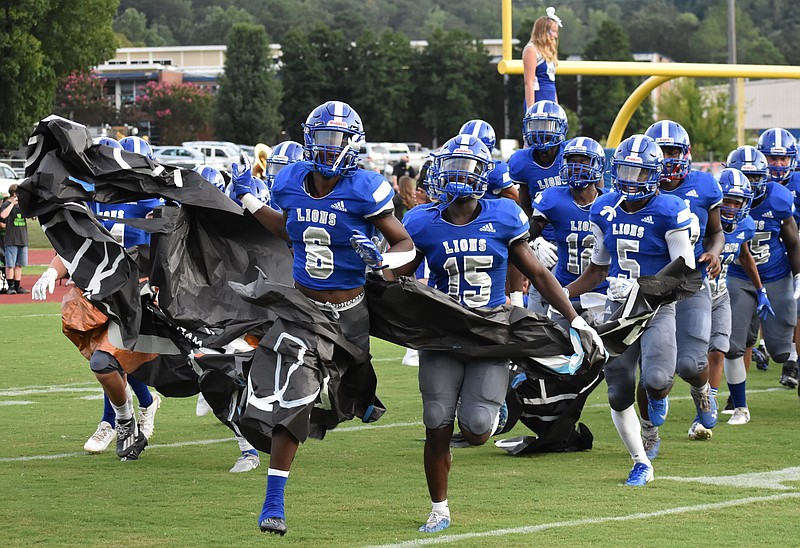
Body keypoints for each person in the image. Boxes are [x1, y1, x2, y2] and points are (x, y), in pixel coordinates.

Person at [387, 133, 605, 533]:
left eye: (465, 168)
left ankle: (500, 398)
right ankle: (439, 508)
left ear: (482, 175)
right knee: (435, 420)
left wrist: (573, 318)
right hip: (444, 331)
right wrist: (376, 268)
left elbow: (538, 274)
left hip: (490, 330)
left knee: (475, 430)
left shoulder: (504, 215)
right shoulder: (422, 221)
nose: (456, 176)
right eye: (450, 166)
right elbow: (397, 272)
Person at [229, 100, 415, 536]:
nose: (329, 148)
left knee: (354, 385)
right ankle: (273, 501)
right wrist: (250, 198)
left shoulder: (366, 187)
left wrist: (383, 262)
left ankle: (364, 397)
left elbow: (405, 244)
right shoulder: (290, 178)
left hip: (351, 313)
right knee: (298, 394)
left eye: (338, 139)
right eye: (323, 138)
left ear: (353, 144)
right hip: (303, 310)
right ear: (309, 139)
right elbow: (287, 228)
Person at [566, 134, 695, 486]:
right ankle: (640, 461)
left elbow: (684, 271)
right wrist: (561, 293)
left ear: (654, 174)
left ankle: (656, 401)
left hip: (656, 307)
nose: (631, 179)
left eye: (639, 173)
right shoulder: (605, 208)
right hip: (618, 309)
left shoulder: (670, 210)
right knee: (618, 390)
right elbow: (597, 270)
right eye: (624, 170)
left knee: (656, 379)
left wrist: (646, 290)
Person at [639, 120, 723, 449]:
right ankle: (649, 436)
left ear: (686, 154)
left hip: (689, 285)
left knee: (690, 363)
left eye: (672, 151)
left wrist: (714, 252)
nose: (666, 158)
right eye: (660, 152)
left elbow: (716, 232)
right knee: (649, 372)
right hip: (647, 291)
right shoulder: (632, 189)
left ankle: (702, 393)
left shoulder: (703, 186)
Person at [82, 136, 163, 453]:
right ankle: (146, 401)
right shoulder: (99, 196)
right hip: (105, 286)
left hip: (139, 288)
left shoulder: (152, 201)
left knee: (111, 354)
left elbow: (165, 247)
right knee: (108, 356)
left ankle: (109, 423)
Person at [33, 255, 150, 461]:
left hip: (138, 296)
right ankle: (124, 421)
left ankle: (121, 418)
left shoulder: (144, 222)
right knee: (104, 363)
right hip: (99, 300)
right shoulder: (95, 221)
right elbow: (71, 249)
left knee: (116, 361)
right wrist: (50, 273)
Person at [725, 144, 800, 397]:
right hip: (738, 275)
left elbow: (792, 242)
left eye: (756, 176)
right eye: (745, 177)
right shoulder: (721, 199)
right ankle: (737, 402)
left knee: (780, 351)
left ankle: (789, 363)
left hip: (775, 274)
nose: (750, 182)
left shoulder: (778, 198)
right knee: (733, 345)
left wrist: (798, 276)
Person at [707, 168, 769, 427]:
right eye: (726, 201)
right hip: (690, 295)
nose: (731, 207)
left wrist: (760, 290)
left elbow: (744, 255)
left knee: (727, 351)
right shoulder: (703, 222)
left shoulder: (744, 225)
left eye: (737, 202)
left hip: (719, 295)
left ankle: (736, 407)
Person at [530, 136, 608, 324]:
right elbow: (527, 232)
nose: (577, 168)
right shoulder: (553, 198)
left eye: (583, 162)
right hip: (564, 291)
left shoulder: (611, 203)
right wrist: (534, 242)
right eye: (572, 162)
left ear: (598, 166)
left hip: (604, 294)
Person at [509, 100, 569, 313]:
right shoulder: (522, 161)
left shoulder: (571, 156)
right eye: (536, 125)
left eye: (547, 125)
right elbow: (523, 206)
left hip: (572, 236)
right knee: (539, 303)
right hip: (541, 235)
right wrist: (533, 239)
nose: (541, 132)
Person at [756, 128, 800, 387]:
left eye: (783, 159)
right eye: (772, 158)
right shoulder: (750, 180)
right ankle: (763, 343)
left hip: (793, 247)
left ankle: (792, 361)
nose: (778, 164)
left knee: (794, 306)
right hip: (762, 251)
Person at [522, 6, 561, 111]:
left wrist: (557, 108)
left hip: (550, 98)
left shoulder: (549, 51)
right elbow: (529, 83)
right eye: (553, 31)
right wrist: (531, 111)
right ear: (543, 31)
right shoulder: (531, 49)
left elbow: (552, 83)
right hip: (538, 98)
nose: (555, 35)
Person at [0, 184, 30, 294]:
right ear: (14, 194)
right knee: (10, 264)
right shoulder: (7, 204)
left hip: (22, 238)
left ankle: (18, 286)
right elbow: (3, 215)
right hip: (11, 238)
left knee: (19, 264)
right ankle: (11, 286)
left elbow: (32, 215)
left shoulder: (22, 206)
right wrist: (12, 203)